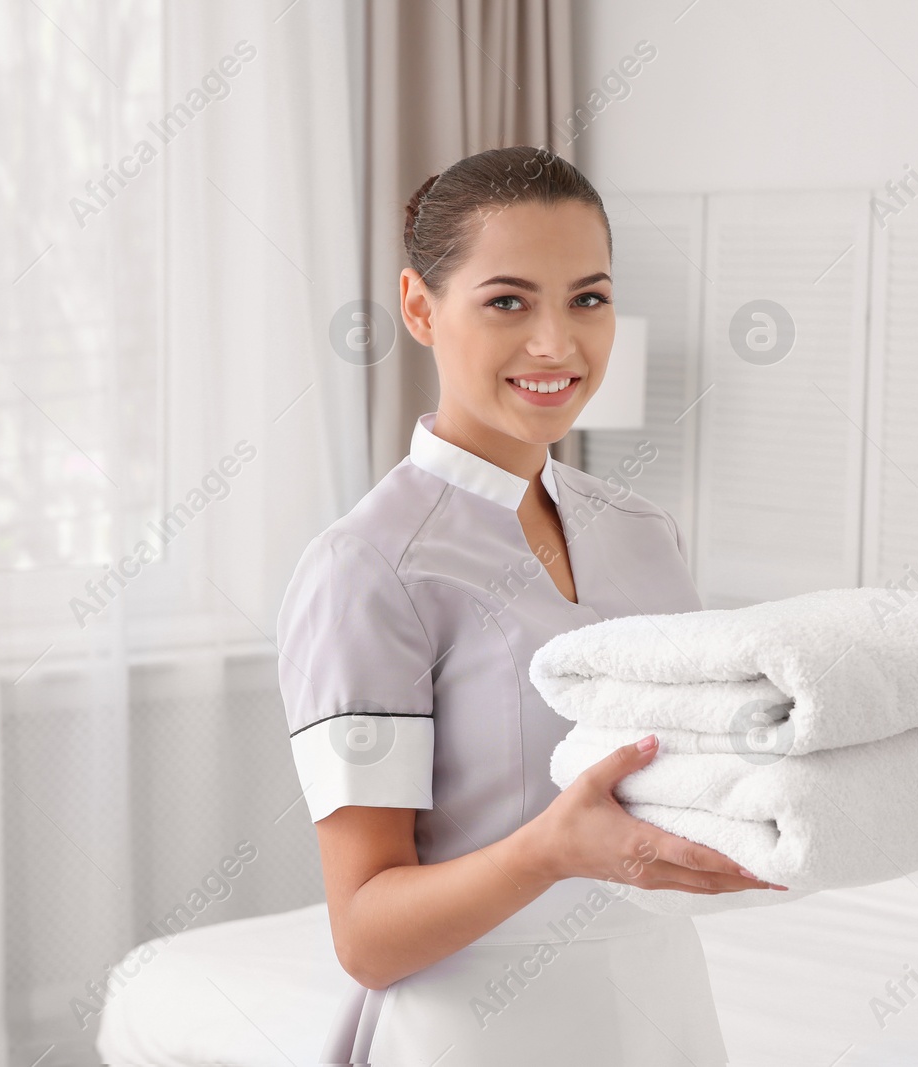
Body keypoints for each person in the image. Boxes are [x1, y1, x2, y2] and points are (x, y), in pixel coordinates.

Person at [275, 144, 785, 1066]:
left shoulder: (643, 533)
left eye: (587, 298)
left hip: (663, 1015)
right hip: (474, 1035)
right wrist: (547, 850)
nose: (557, 342)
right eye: (508, 300)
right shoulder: (367, 567)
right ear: (420, 308)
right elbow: (365, 933)